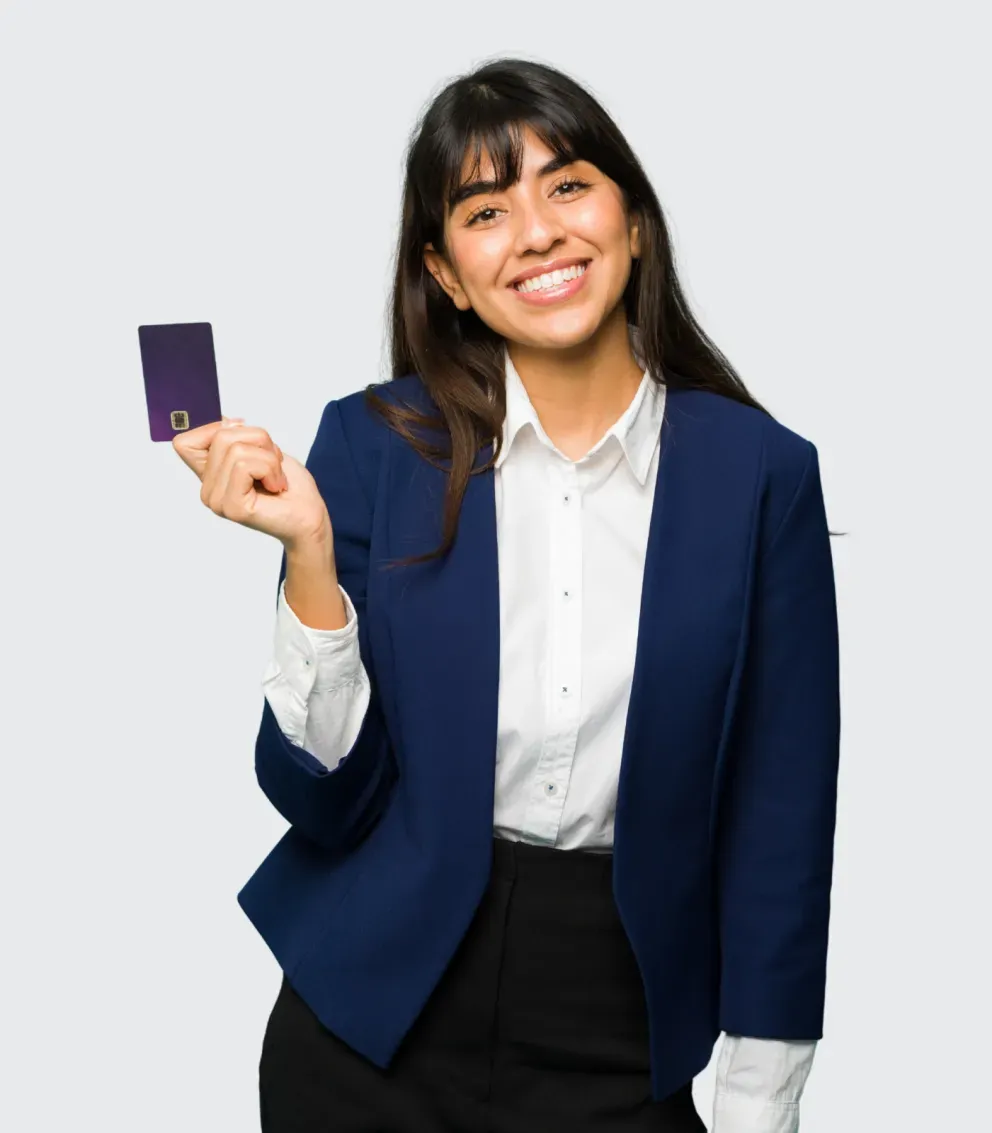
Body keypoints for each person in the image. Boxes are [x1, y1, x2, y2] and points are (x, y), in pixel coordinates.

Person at [174, 57, 840, 1133]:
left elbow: (783, 803)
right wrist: (306, 553)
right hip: (371, 1017)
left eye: (567, 185)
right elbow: (319, 795)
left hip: (620, 1011)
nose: (535, 231)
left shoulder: (757, 472)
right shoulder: (371, 444)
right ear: (445, 272)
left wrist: (761, 1093)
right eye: (485, 210)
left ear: (633, 223)